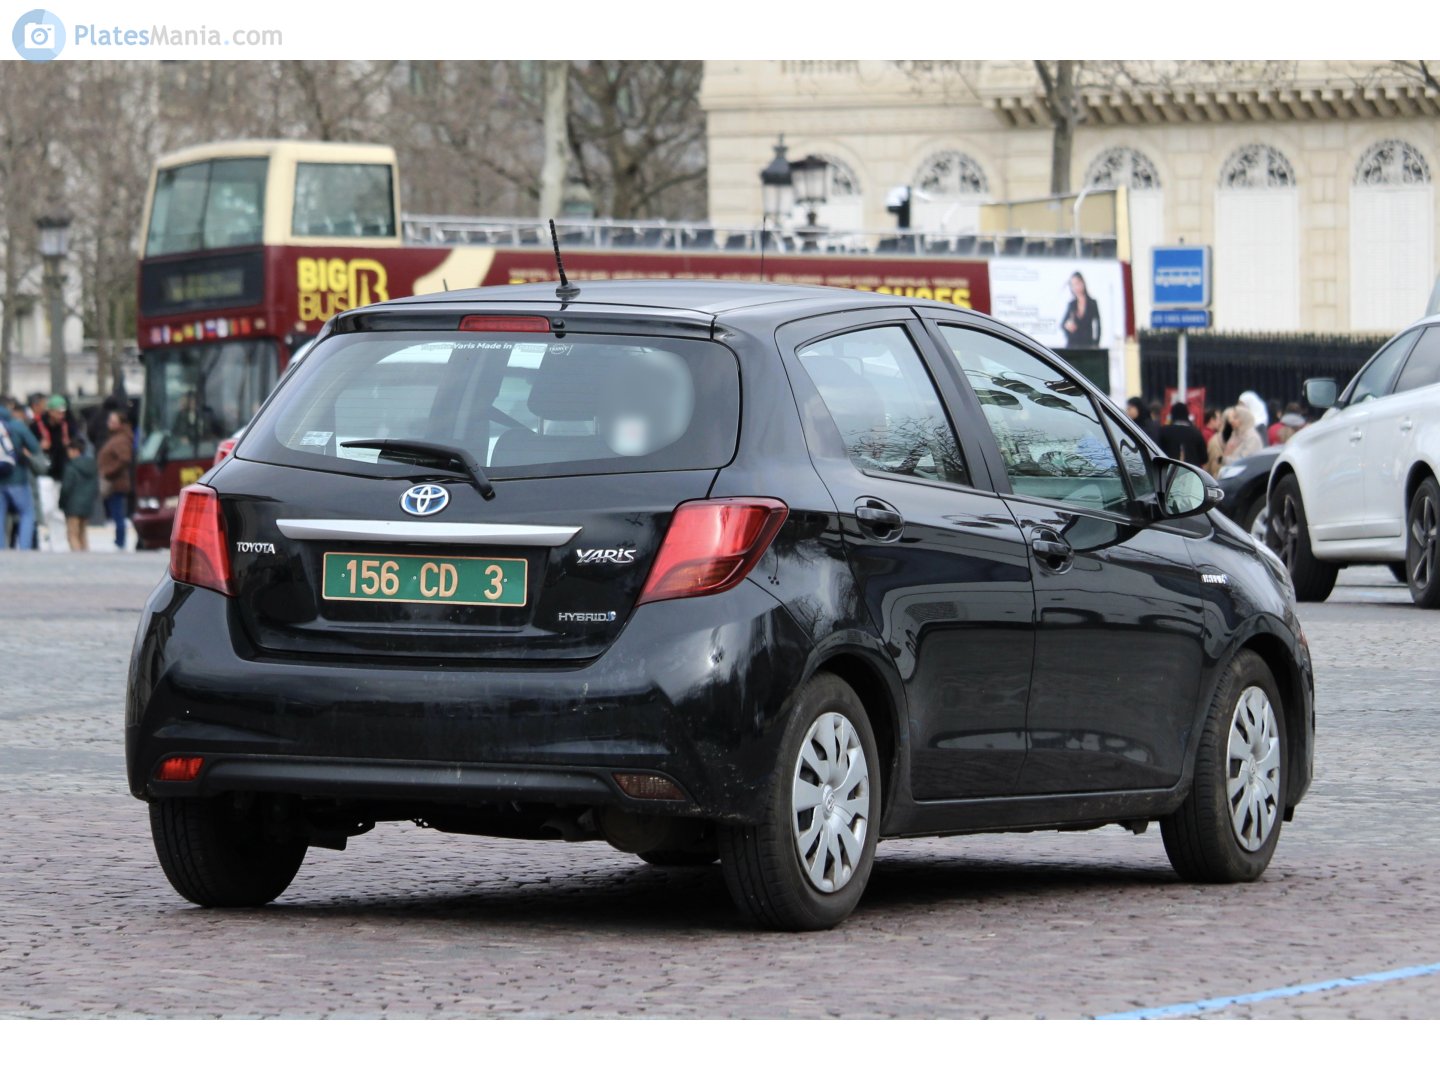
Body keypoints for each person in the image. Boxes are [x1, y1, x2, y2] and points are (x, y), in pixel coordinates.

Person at [31, 394, 78, 552]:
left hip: (61, 474)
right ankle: (43, 538)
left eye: (63, 412)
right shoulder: (37, 426)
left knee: (58, 512)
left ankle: (57, 545)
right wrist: (39, 446)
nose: (61, 415)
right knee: (46, 509)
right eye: (58, 412)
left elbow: (77, 442)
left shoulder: (68, 426)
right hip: (43, 474)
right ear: (50, 411)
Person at [2, 402, 42, 549]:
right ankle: (24, 547)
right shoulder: (17, 426)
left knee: (1, 516)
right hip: (17, 478)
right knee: (26, 513)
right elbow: (35, 447)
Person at [97, 410, 134, 550]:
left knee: (118, 513)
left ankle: (120, 541)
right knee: (116, 512)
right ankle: (119, 540)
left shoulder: (121, 439)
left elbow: (125, 459)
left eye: (112, 422)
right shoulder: (116, 437)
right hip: (114, 481)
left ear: (120, 424)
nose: (109, 424)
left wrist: (109, 472)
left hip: (116, 482)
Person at [60, 440, 99, 552]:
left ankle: (77, 559)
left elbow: (66, 488)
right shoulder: (92, 466)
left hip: (72, 506)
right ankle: (86, 556)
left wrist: (62, 503)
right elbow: (96, 487)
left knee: (72, 534)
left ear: (75, 451)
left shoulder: (71, 467)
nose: (68, 454)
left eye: (69, 451)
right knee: (83, 534)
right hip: (87, 505)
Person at [1157, 401, 1209, 465]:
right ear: (1187, 414)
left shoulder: (1164, 431)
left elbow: (1158, 453)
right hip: (1191, 472)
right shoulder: (1196, 432)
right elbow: (1204, 458)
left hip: (1169, 471)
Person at [1060, 272, 1101, 348]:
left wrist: (1096, 344)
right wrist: (1068, 326)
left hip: (1088, 346)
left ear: (1083, 283)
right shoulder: (1072, 304)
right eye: (1073, 285)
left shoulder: (1092, 303)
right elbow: (1062, 324)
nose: (1076, 287)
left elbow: (1098, 325)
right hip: (1072, 346)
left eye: (1077, 283)